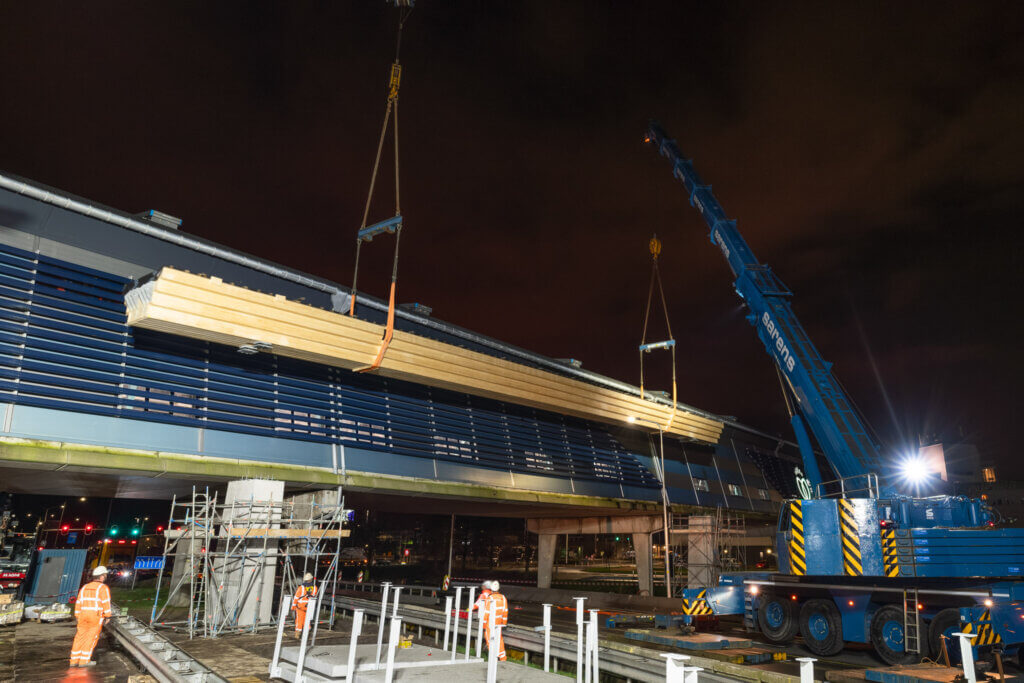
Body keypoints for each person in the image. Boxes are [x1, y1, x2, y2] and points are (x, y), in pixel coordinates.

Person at [70, 566, 112, 667]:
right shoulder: (103, 588)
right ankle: (84, 661)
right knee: (91, 638)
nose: (105, 577)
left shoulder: (84, 587)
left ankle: (74, 661)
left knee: (79, 637)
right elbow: (106, 603)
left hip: (82, 615)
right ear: (101, 577)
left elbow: (79, 602)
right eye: (105, 575)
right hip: (95, 616)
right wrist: (108, 616)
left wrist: (77, 615)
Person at [483, 580, 508, 661]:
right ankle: (502, 658)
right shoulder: (503, 598)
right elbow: (505, 611)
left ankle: (493, 657)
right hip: (499, 624)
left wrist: (483, 625)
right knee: (499, 639)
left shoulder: (490, 598)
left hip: (490, 623)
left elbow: (486, 612)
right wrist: (504, 623)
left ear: (491, 589)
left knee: (489, 639)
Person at [291, 573, 318, 638]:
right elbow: (314, 596)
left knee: (299, 620)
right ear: (311, 579)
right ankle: (306, 634)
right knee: (307, 620)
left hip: (300, 606)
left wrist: (293, 606)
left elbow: (296, 597)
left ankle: (297, 634)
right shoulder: (315, 588)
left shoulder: (301, 588)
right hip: (309, 607)